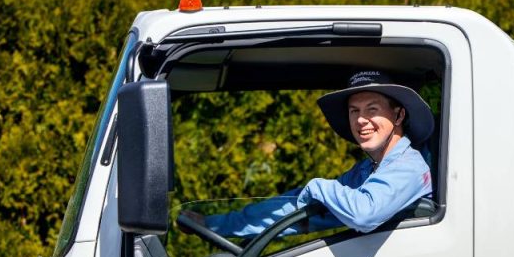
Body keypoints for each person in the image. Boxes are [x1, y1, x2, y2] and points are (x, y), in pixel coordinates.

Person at [182, 70, 435, 238]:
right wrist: (215, 226)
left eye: (372, 109)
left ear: (399, 115)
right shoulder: (366, 171)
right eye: (354, 111)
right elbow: (295, 211)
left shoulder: (411, 167)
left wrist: (317, 186)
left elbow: (363, 214)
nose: (361, 120)